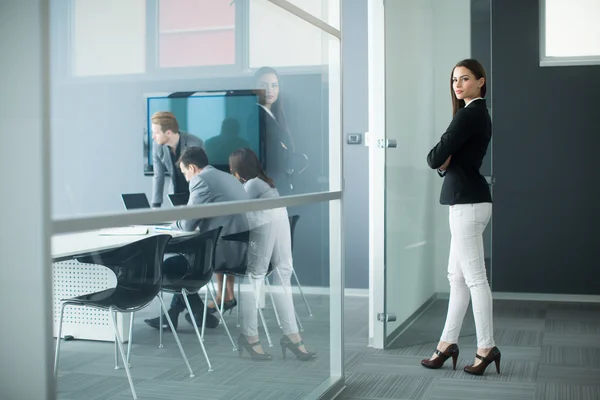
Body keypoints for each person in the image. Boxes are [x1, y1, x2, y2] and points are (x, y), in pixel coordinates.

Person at [423, 59, 501, 376]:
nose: (457, 84)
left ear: (481, 82)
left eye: (465, 78)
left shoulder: (469, 114)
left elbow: (433, 157)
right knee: (457, 278)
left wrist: (443, 160)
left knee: (474, 279)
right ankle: (447, 344)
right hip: (469, 200)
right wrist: (445, 161)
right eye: (454, 79)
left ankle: (486, 347)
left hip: (467, 204)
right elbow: (444, 159)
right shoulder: (476, 115)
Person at [144, 147, 249, 331]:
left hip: (223, 252)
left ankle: (196, 313)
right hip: (239, 248)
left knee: (170, 267)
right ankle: (180, 316)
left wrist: (170, 224)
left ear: (192, 168)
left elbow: (186, 226)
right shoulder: (227, 177)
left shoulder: (201, 180)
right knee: (182, 265)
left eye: (184, 173)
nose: (185, 178)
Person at [228, 148, 316, 361]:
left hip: (267, 225)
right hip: (278, 221)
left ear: (237, 170)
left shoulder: (251, 185)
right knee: (282, 277)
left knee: (254, 278)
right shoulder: (266, 183)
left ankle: (250, 338)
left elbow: (238, 216)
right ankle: (293, 337)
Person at [248, 67, 307, 195]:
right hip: (269, 186)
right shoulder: (257, 116)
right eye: (263, 85)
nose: (270, 90)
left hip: (279, 183)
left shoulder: (275, 115)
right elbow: (272, 155)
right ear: (254, 88)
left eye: (274, 85)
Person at [150, 111, 204, 208]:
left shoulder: (195, 143)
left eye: (156, 133)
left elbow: (201, 176)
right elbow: (158, 176)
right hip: (175, 194)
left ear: (168, 133)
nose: (153, 136)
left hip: (195, 194)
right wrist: (156, 205)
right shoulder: (157, 146)